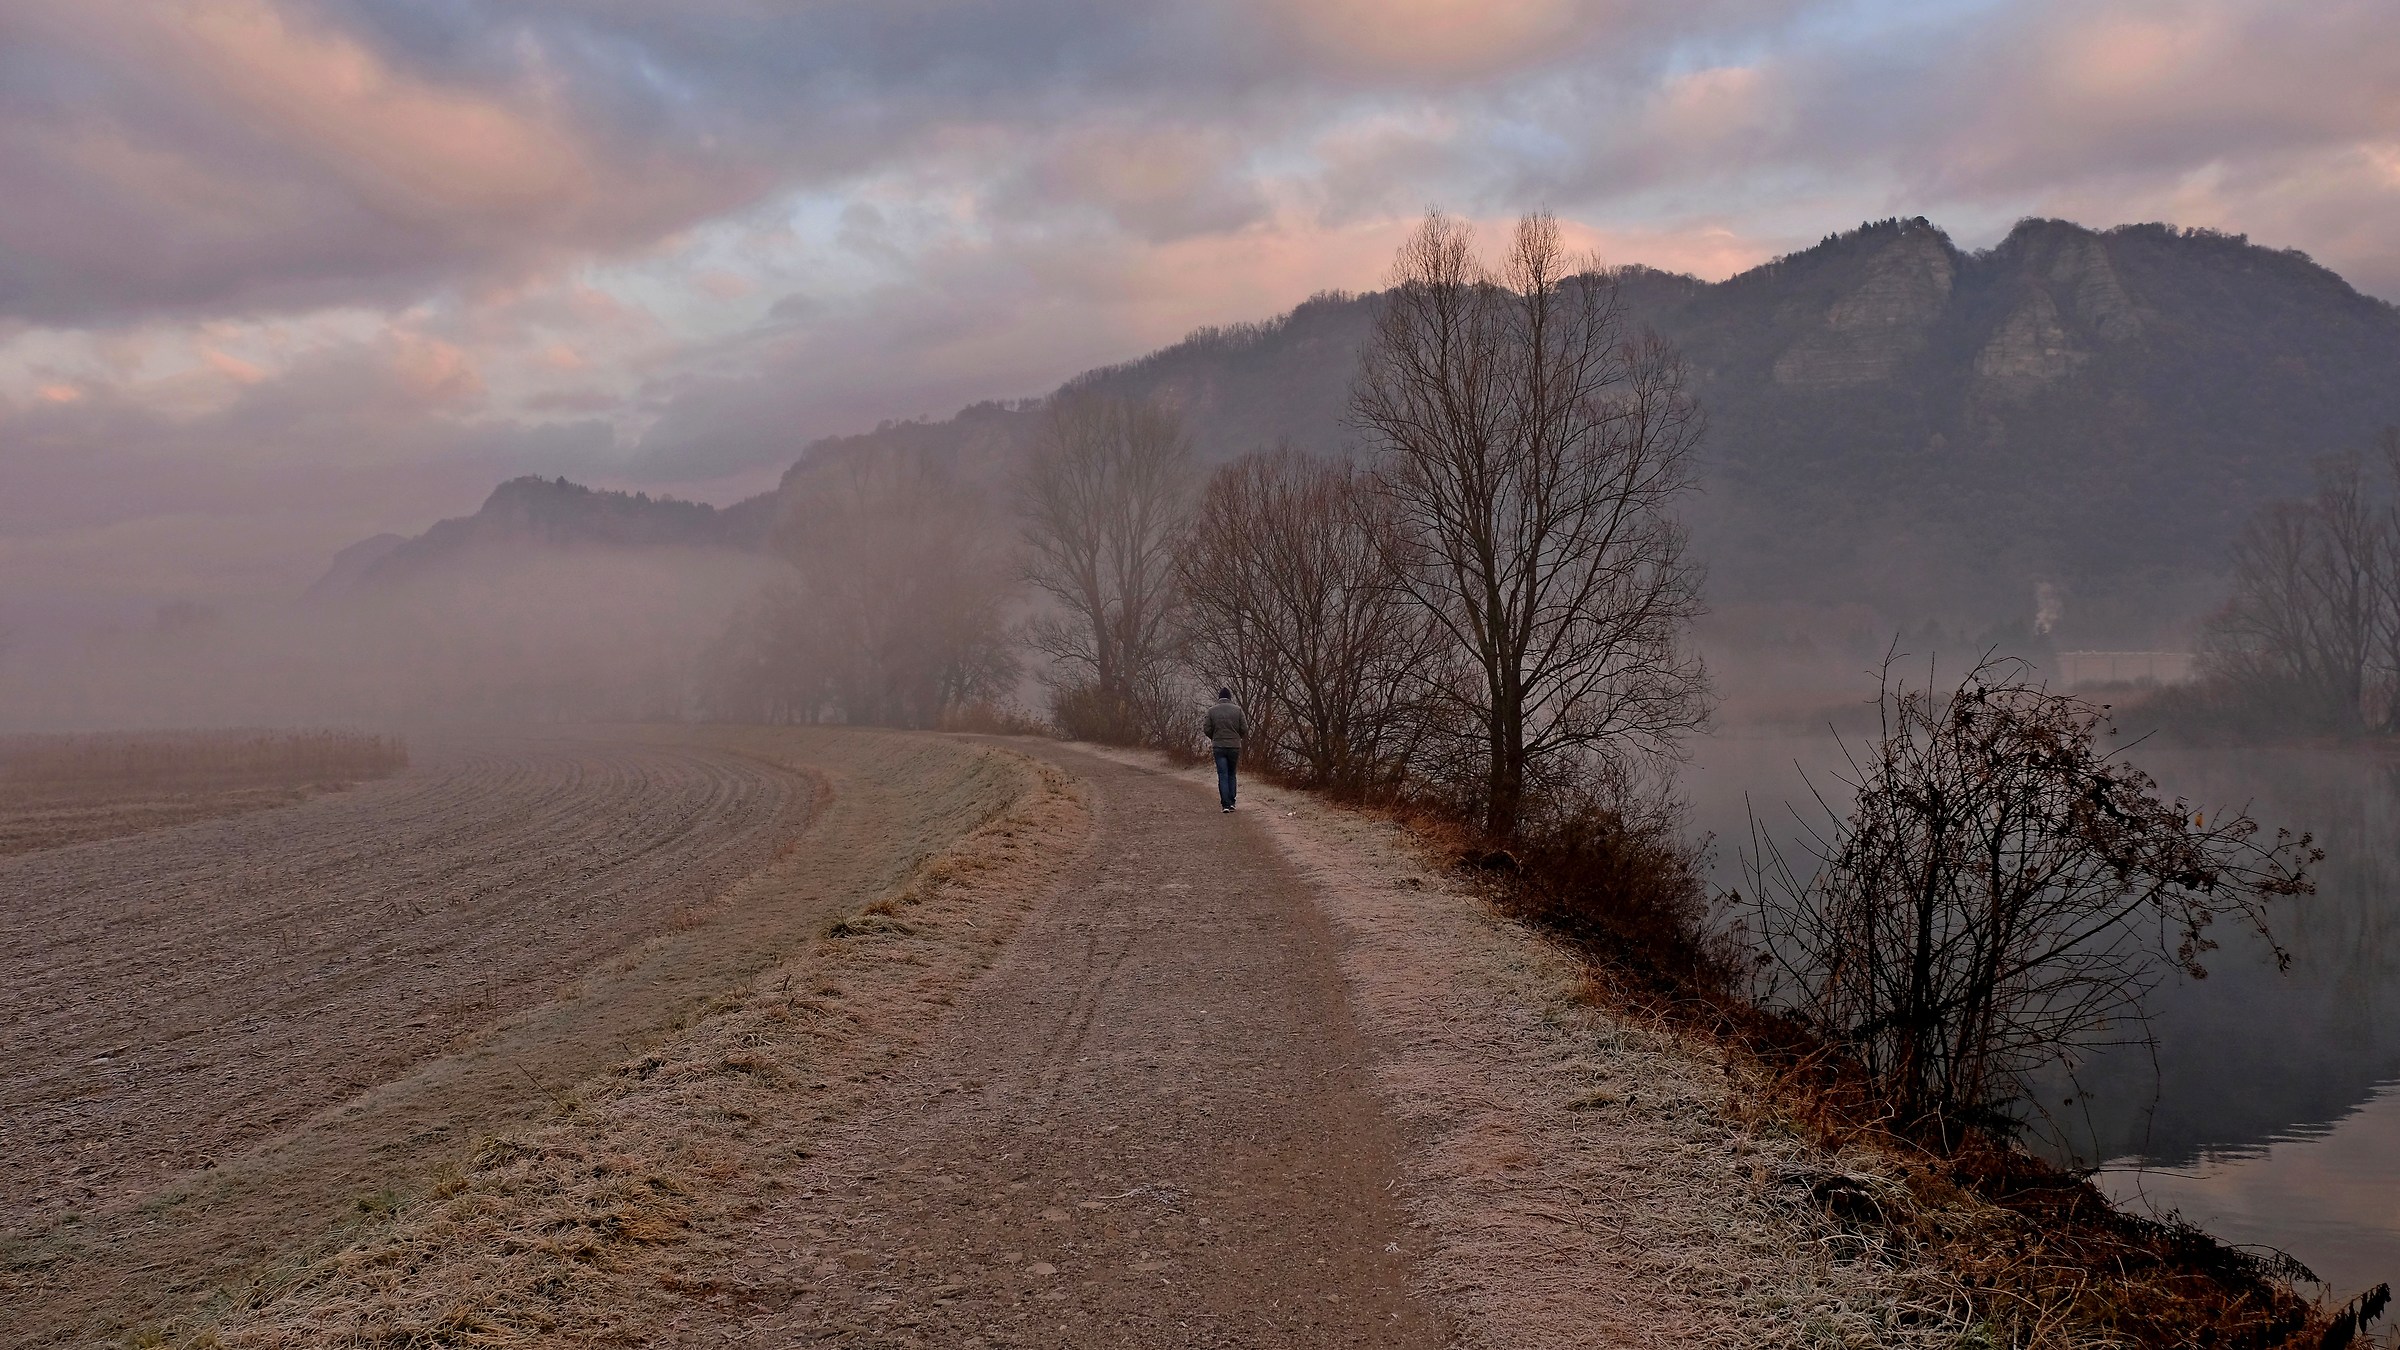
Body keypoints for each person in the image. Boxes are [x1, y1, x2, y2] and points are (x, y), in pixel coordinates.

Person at [1203, 687, 1246, 812]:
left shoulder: (1212, 711)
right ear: (1230, 697)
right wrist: (1237, 738)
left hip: (1219, 746)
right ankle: (1232, 802)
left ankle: (1225, 805)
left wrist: (1214, 737)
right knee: (1232, 774)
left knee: (1222, 775)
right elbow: (1244, 728)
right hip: (1234, 746)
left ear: (1219, 697)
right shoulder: (1237, 710)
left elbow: (1206, 729)